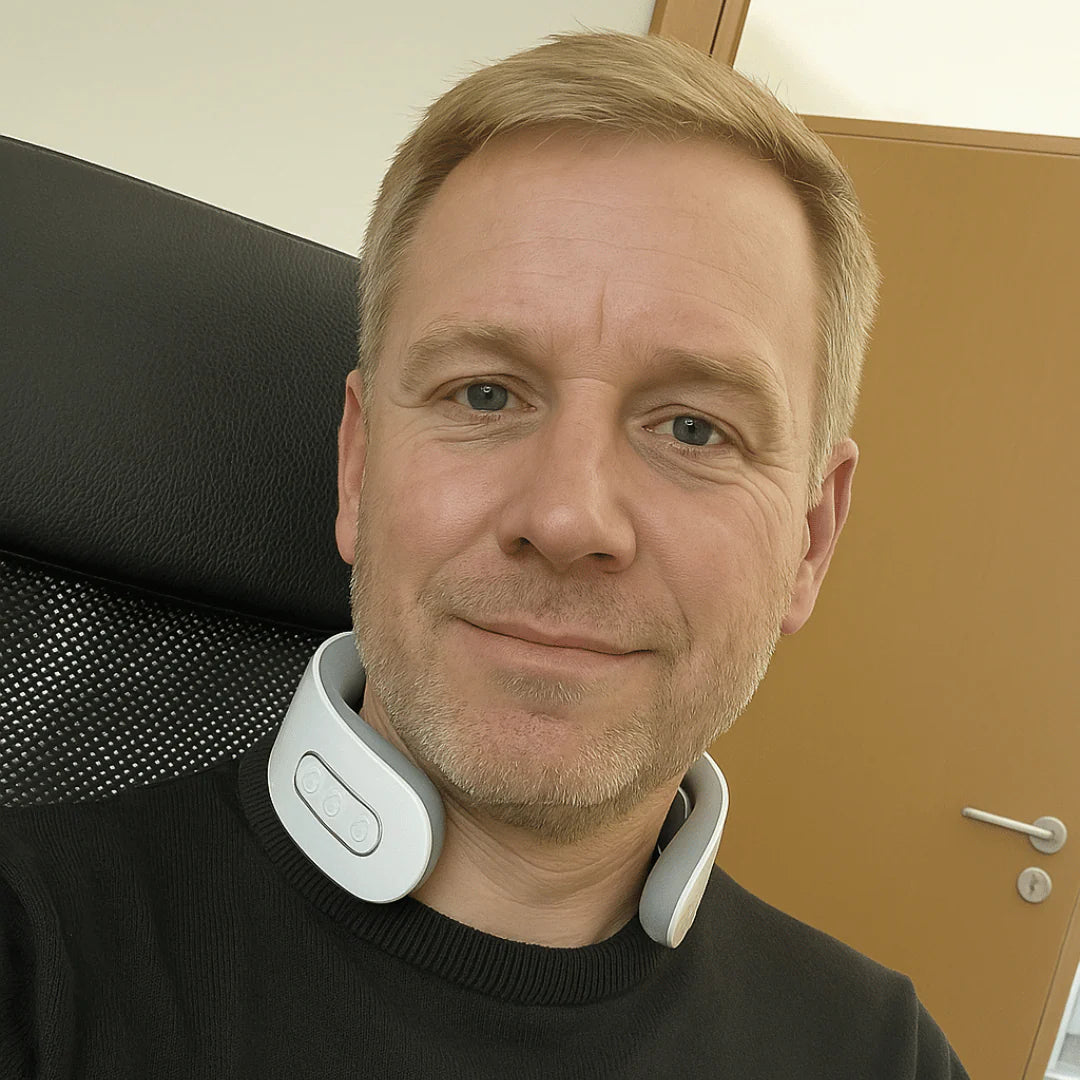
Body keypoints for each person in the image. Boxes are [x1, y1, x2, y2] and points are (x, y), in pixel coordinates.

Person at [0, 30, 970, 1079]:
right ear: (359, 467)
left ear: (811, 540)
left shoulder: (884, 1054)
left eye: (694, 429)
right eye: (485, 395)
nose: (567, 517)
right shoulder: (30, 956)